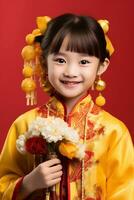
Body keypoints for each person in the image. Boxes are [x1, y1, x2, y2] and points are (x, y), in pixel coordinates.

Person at [0, 13, 134, 200]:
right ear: (44, 61)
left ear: (102, 66)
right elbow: (3, 182)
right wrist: (29, 183)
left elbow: (126, 193)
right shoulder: (24, 124)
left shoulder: (114, 132)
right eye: (60, 60)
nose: (71, 72)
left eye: (84, 62)